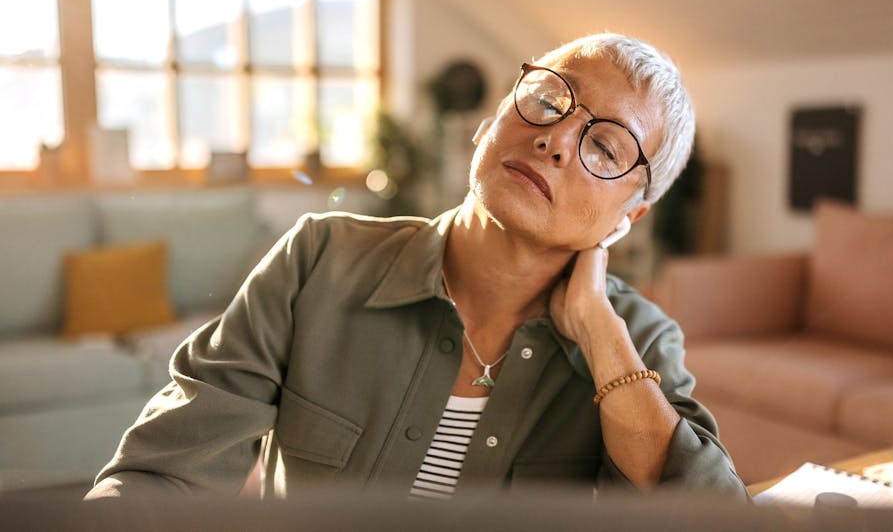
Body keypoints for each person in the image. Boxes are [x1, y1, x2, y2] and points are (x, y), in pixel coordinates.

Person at [86, 32, 747, 501]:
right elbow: (161, 476)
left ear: (625, 219)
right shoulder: (318, 261)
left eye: (604, 145)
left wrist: (599, 334)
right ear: (491, 123)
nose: (553, 139)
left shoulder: (638, 342)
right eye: (548, 101)